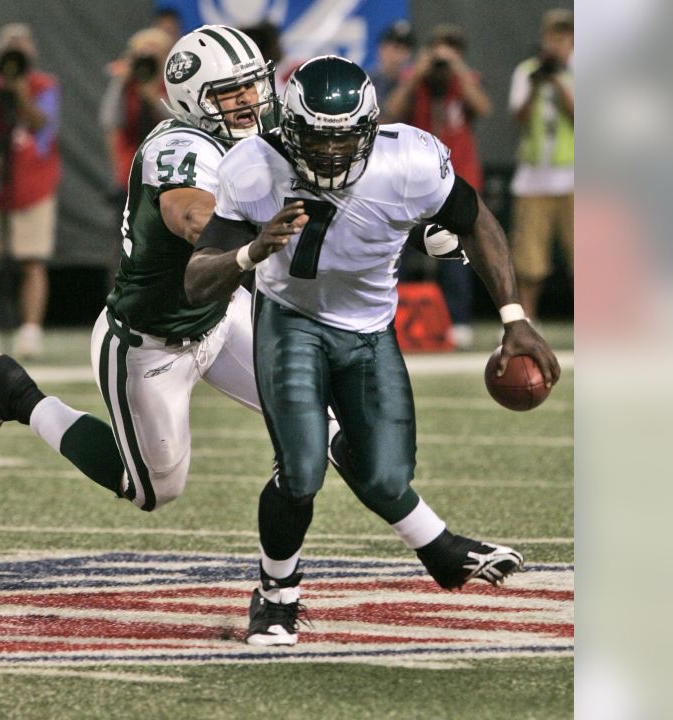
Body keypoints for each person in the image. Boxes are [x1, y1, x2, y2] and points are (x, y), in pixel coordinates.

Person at [184, 56, 561, 646]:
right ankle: (276, 594)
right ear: (289, 128)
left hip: (369, 331)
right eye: (317, 139)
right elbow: (195, 278)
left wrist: (514, 316)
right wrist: (252, 252)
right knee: (302, 469)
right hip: (291, 322)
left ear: (370, 129)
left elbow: (477, 220)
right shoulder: (253, 166)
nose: (332, 154)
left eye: (345, 139)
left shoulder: (409, 158)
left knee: (387, 477)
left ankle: (437, 550)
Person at [0, 25, 298, 512]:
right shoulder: (179, 148)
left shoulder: (249, 138)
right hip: (150, 341)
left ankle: (418, 535)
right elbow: (189, 213)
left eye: (253, 84)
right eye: (231, 91)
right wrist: (251, 235)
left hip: (223, 314)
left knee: (316, 415)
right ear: (193, 99)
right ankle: (21, 397)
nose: (249, 100)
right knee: (151, 490)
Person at [384, 24, 493, 349]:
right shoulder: (415, 81)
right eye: (439, 49)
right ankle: (390, 318)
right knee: (396, 248)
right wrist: (417, 73)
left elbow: (484, 107)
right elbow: (392, 109)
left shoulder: (465, 80)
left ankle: (459, 320)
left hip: (458, 178)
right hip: (413, 180)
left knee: (456, 251)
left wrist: (457, 69)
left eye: (452, 49)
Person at [0, 24, 61, 358]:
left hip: (32, 185)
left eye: (20, 48)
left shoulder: (44, 85)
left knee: (32, 260)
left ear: (31, 52)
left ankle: (30, 332)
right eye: (8, 48)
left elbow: (40, 123)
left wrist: (19, 89)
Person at [509, 9, 574, 323]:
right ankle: (526, 320)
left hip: (574, 178)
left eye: (564, 36)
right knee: (529, 260)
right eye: (553, 36)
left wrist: (560, 83)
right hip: (533, 178)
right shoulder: (527, 72)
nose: (558, 42)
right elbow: (519, 118)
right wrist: (538, 85)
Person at [99, 28, 175, 209]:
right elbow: (109, 119)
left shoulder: (173, 85)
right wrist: (122, 80)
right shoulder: (128, 86)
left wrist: (154, 98)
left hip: (168, 172)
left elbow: (180, 120)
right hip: (130, 172)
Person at [370, 20, 415, 105]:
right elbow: (385, 115)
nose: (399, 56)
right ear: (381, 49)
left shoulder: (416, 82)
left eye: (405, 49)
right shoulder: (367, 82)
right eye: (396, 48)